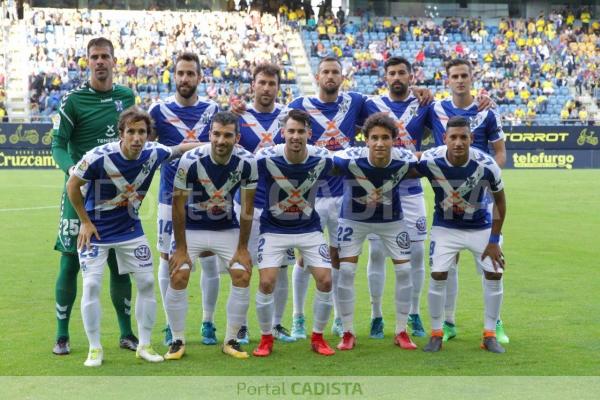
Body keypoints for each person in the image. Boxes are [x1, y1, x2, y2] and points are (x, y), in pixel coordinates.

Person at [66, 107, 200, 366]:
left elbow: (181, 148)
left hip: (130, 229)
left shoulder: (154, 152)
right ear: (121, 134)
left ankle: (145, 345)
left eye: (142, 132)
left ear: (148, 135)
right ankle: (95, 348)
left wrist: (214, 142)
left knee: (147, 283)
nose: (137, 138)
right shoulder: (98, 156)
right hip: (97, 231)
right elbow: (73, 184)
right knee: (92, 286)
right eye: (131, 132)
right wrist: (84, 221)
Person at [51, 37, 136, 355]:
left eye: (105, 56)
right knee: (70, 262)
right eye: (94, 57)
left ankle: (126, 333)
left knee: (119, 263)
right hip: (80, 195)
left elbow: (134, 138)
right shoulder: (73, 101)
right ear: (87, 61)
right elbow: (57, 144)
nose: (100, 61)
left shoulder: (126, 96)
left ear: (115, 61)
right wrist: (73, 171)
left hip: (115, 195)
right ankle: (62, 334)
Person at [165, 111, 257, 360]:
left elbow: (247, 208)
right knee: (178, 273)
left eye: (227, 135)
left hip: (226, 229)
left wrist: (242, 248)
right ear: (209, 135)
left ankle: (231, 340)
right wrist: (181, 248)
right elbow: (177, 205)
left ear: (237, 137)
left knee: (242, 273)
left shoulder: (248, 162)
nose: (221, 140)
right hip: (192, 229)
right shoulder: (190, 161)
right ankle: (177, 340)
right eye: (216, 134)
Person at [428, 58, 509, 344]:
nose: (460, 80)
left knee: (490, 266)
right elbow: (408, 125)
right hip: (448, 202)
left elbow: (500, 152)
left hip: (480, 200)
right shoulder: (435, 108)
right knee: (445, 268)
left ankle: (494, 325)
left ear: (472, 78)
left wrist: (486, 179)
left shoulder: (487, 111)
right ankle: (446, 324)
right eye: (455, 76)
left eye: (464, 75)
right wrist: (418, 90)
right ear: (447, 79)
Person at [417, 116, 507, 353]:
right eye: (453, 137)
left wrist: (494, 240)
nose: (458, 142)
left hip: (481, 227)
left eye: (463, 137)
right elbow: (404, 167)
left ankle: (489, 334)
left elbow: (500, 202)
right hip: (446, 228)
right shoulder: (431, 159)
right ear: (444, 138)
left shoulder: (487, 165)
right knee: (437, 274)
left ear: (472, 139)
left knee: (495, 274)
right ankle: (436, 333)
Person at [148, 52, 220, 346]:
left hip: (207, 196)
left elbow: (222, 145)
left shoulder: (213, 109)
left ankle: (208, 322)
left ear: (199, 78)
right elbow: (148, 147)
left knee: (210, 260)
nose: (185, 79)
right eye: (180, 73)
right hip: (169, 197)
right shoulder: (158, 111)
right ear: (173, 76)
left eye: (191, 74)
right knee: (167, 260)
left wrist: (185, 147)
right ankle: (170, 324)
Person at [253, 109, 335, 357]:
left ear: (309, 133)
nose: (296, 136)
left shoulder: (324, 158)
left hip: (309, 228)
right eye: (291, 131)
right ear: (282, 133)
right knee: (266, 282)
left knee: (325, 280)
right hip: (273, 229)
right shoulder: (265, 158)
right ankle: (266, 339)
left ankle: (318, 338)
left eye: (301, 131)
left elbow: (352, 166)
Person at [333, 113, 418, 351]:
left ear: (394, 140)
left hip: (391, 220)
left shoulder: (406, 160)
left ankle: (401, 331)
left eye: (385, 138)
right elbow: (323, 164)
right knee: (347, 271)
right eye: (374, 138)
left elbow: (427, 166)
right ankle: (348, 332)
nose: (380, 143)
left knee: (404, 271)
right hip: (353, 218)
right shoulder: (347, 158)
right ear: (366, 140)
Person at [362, 57, 431, 339]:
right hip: (381, 190)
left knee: (416, 254)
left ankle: (413, 313)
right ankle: (376, 315)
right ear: (385, 77)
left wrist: (425, 91)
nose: (397, 77)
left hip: (412, 189)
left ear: (411, 76)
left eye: (402, 72)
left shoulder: (424, 104)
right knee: (377, 253)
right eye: (392, 73)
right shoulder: (371, 104)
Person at [234, 63, 295, 344]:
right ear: (253, 85)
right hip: (246, 206)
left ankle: (277, 324)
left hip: (282, 207)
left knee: (280, 269)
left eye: (272, 83)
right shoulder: (239, 116)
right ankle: (242, 326)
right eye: (262, 83)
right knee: (244, 267)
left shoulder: (289, 117)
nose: (267, 88)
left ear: (278, 87)